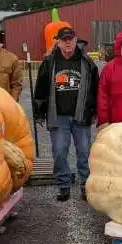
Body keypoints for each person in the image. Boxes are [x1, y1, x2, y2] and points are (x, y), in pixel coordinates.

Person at [34, 26, 99, 202]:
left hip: (81, 115)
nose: (68, 42)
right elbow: (40, 89)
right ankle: (64, 186)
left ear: (76, 40)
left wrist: (95, 111)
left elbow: (95, 89)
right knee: (60, 152)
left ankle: (86, 185)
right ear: (58, 42)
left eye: (71, 39)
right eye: (64, 39)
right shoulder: (49, 62)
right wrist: (38, 112)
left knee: (84, 153)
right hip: (59, 116)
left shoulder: (87, 62)